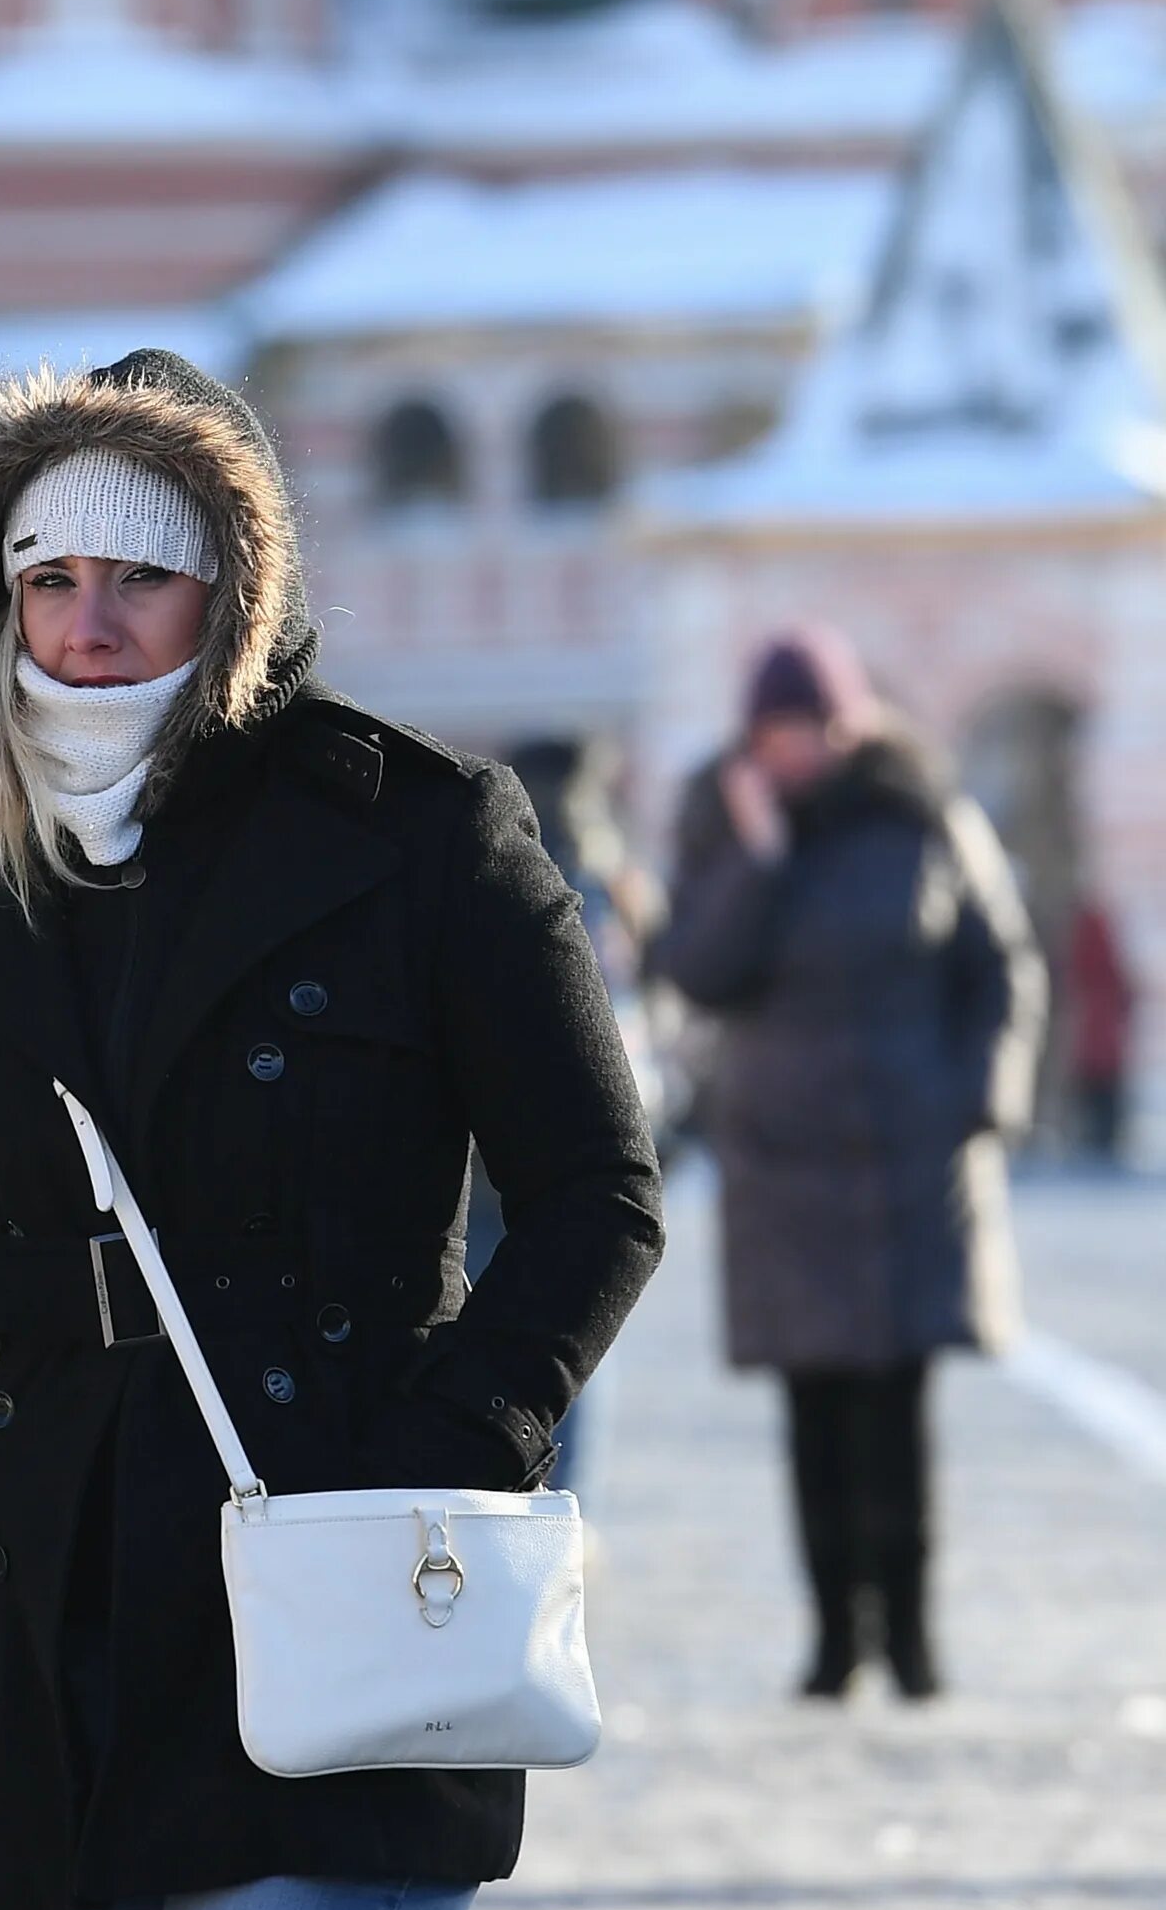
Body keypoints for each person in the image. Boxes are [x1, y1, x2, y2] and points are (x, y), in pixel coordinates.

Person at [0, 350, 664, 1910]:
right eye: (49, 576)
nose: (89, 621)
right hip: (54, 1603)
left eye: (142, 575)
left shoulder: (423, 834)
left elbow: (597, 1196)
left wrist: (442, 1458)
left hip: (343, 1566)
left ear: (232, 589)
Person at [653, 628, 1043, 1703]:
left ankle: (914, 1640)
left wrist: (981, 1098)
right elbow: (696, 969)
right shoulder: (722, 823)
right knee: (815, 1408)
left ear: (853, 722)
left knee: (900, 1403)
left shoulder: (923, 816)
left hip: (913, 1158)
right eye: (777, 732)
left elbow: (1001, 961)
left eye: (815, 728)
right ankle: (833, 1641)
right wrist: (760, 855)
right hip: (784, 1166)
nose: (797, 751)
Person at [459, 733, 667, 1503]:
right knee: (575, 1322)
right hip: (594, 1134)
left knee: (483, 1318)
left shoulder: (492, 856)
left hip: (482, 1149)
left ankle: (497, 1489)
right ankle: (563, 1498)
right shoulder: (613, 879)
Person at [1064, 893, 1134, 1165]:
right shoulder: (1096, 939)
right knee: (1102, 1093)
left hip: (1094, 1041)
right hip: (1100, 1041)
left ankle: (1098, 1142)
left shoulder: (1085, 939)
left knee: (1098, 1092)